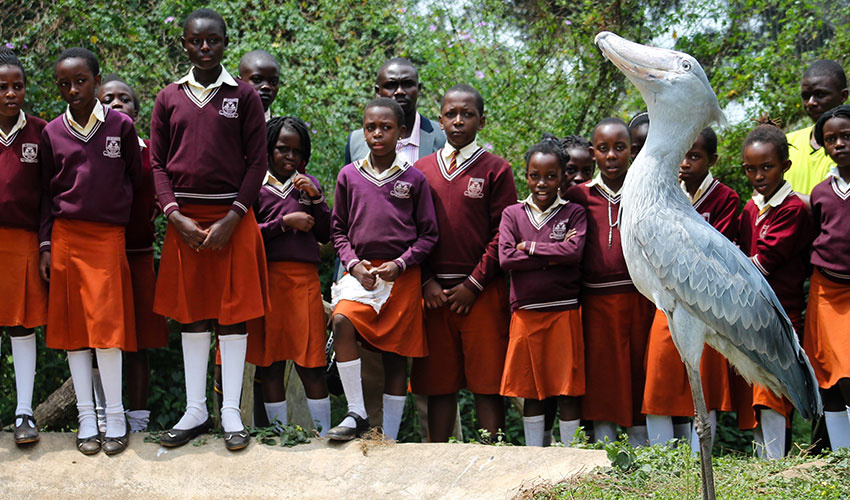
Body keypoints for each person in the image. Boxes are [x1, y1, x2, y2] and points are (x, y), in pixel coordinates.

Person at [150, 8, 269, 452]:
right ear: (184, 44)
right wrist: (172, 214)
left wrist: (234, 217)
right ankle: (196, 409)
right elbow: (157, 163)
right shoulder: (169, 98)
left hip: (231, 220)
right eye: (196, 41)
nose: (204, 48)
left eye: (213, 41)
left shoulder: (244, 95)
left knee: (233, 315)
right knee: (193, 313)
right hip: (184, 221)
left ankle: (231, 411)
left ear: (224, 43)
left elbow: (257, 162)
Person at [39, 47, 141, 455]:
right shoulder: (52, 133)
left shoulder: (120, 127)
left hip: (106, 237)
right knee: (75, 332)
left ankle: (114, 416)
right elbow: (45, 194)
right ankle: (86, 417)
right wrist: (47, 243)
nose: (73, 89)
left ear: (97, 82)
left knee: (108, 331)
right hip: (65, 237)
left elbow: (134, 178)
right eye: (65, 83)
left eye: (81, 81)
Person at [342, 57, 447, 435]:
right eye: (390, 86)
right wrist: (350, 268)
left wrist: (425, 273)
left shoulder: (441, 135)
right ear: (378, 91)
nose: (399, 91)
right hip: (367, 273)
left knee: (423, 369)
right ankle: (375, 434)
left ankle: (432, 446)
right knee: (373, 363)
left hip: (418, 271)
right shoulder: (356, 141)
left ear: (419, 89)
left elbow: (437, 222)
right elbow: (351, 215)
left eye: (407, 84)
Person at [409, 84, 516, 442]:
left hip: (481, 292)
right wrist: (426, 281)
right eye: (451, 114)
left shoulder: (496, 170)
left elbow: (503, 234)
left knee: (487, 385)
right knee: (439, 385)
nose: (458, 121)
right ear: (439, 120)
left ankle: (490, 461)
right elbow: (409, 232)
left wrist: (473, 285)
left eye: (467, 114)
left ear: (481, 121)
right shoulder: (420, 171)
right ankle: (437, 460)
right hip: (434, 294)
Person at [642, 127, 738, 448]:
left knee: (704, 379)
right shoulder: (660, 191)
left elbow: (715, 252)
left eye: (694, 156)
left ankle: (702, 451)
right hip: (666, 299)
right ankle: (660, 454)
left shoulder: (725, 198)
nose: (684, 163)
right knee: (660, 376)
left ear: (712, 159)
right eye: (681, 154)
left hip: (707, 305)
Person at [564, 117, 654, 446]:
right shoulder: (578, 195)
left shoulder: (646, 191)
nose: (612, 156)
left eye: (619, 148)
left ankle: (643, 451)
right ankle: (605, 451)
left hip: (639, 299)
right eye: (603, 149)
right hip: (595, 302)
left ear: (632, 151)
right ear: (593, 154)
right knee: (602, 378)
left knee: (638, 373)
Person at [245, 116, 332, 436]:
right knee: (271, 363)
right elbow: (246, 235)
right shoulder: (254, 186)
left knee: (311, 363)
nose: (289, 157)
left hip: (303, 281)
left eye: (297, 151)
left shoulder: (307, 186)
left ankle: (324, 434)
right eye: (282, 149)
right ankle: (280, 434)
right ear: (268, 150)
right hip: (266, 280)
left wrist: (318, 200)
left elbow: (327, 234)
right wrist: (284, 222)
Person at [498, 136, 587, 446]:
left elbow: (574, 254)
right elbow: (506, 258)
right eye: (535, 175)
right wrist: (554, 253)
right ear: (526, 175)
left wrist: (532, 248)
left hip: (564, 310)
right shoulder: (513, 213)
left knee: (568, 387)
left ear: (563, 176)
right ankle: (535, 455)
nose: (542, 183)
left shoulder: (573, 212)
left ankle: (572, 456)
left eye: (551, 176)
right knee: (531, 387)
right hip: (526, 312)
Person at [734, 118, 814, 459]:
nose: (759, 176)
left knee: (775, 384)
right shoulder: (751, 207)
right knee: (759, 385)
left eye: (767, 168)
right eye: (751, 170)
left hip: (782, 311)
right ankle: (765, 456)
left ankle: (775, 460)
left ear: (786, 166)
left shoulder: (793, 208)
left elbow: (761, 263)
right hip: (753, 312)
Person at [98, 75, 169, 433]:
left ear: (137, 112)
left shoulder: (150, 151)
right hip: (97, 257)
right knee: (99, 338)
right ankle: (98, 413)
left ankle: (138, 419)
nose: (116, 103)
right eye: (107, 98)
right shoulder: (91, 146)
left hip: (138, 254)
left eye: (124, 98)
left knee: (139, 343)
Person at [0, 47, 48, 446]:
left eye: (17, 86)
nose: (10, 93)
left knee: (21, 324)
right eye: (2, 87)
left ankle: (24, 413)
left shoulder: (39, 131)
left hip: (23, 240)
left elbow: (50, 194)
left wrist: (46, 243)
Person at [805, 104, 850, 450]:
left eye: (846, 136)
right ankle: (841, 453)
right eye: (830, 139)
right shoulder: (821, 192)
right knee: (827, 377)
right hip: (825, 290)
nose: (839, 144)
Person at [785, 60, 848, 196]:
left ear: (843, 96)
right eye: (806, 97)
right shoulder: (785, 144)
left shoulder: (845, 146)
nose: (811, 103)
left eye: (820, 95)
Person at [238, 49, 280, 122]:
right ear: (239, 82)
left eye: (273, 82)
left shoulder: (279, 130)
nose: (266, 87)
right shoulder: (225, 123)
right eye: (257, 80)